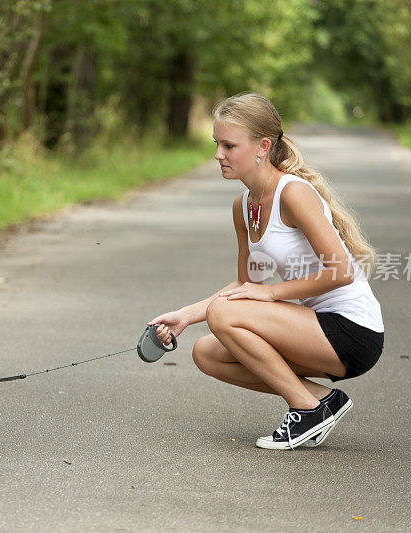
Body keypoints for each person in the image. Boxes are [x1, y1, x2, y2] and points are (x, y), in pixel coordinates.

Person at [149, 92, 384, 450]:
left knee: (224, 314)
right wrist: (185, 316)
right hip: (313, 329)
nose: (217, 155)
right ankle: (320, 400)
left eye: (229, 145)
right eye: (217, 144)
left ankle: (306, 408)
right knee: (207, 353)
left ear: (262, 146)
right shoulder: (243, 206)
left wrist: (271, 293)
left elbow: (341, 271)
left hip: (353, 331)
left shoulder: (293, 194)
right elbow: (247, 284)